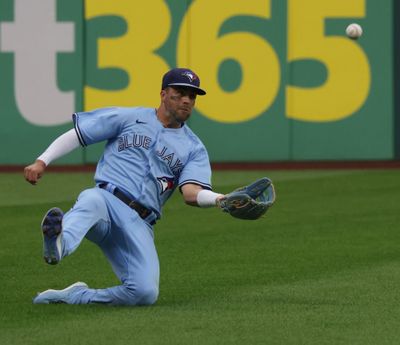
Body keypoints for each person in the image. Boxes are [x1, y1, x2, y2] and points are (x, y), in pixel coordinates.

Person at [24, 68, 226, 305]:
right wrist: (42, 160)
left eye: (191, 96)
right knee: (90, 200)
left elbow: (191, 193)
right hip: (106, 201)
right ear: (163, 94)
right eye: (179, 93)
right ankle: (57, 245)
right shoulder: (129, 117)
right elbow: (79, 135)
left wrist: (218, 199)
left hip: (139, 222)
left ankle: (77, 296)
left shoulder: (194, 148)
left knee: (145, 293)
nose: (186, 100)